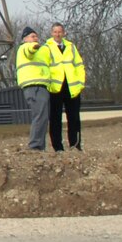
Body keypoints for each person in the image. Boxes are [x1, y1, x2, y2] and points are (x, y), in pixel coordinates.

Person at [44, 22, 86, 151]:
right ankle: (58, 148)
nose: (57, 34)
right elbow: (44, 67)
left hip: (72, 87)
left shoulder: (71, 46)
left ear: (64, 33)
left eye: (60, 32)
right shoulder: (46, 47)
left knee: (74, 118)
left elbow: (79, 64)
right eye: (55, 32)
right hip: (55, 88)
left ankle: (75, 145)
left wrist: (81, 82)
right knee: (55, 119)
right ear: (52, 33)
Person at [15, 27, 52, 152]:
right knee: (40, 115)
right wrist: (34, 46)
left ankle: (40, 145)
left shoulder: (41, 52)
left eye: (36, 36)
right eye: (32, 36)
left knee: (43, 116)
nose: (35, 39)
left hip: (42, 86)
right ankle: (35, 146)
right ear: (25, 39)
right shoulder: (24, 48)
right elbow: (29, 50)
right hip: (33, 87)